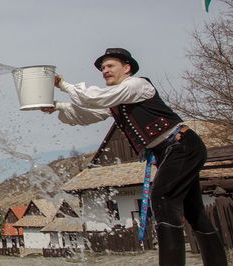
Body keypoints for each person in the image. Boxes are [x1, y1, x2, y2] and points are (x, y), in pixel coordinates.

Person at [42, 48, 227, 266]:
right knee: (194, 212)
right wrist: (56, 107)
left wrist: (64, 85)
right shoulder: (118, 98)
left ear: (127, 68)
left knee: (163, 198)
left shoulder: (137, 85)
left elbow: (94, 98)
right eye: (102, 68)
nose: (105, 71)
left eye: (110, 65)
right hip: (170, 152)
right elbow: (89, 114)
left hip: (182, 145)